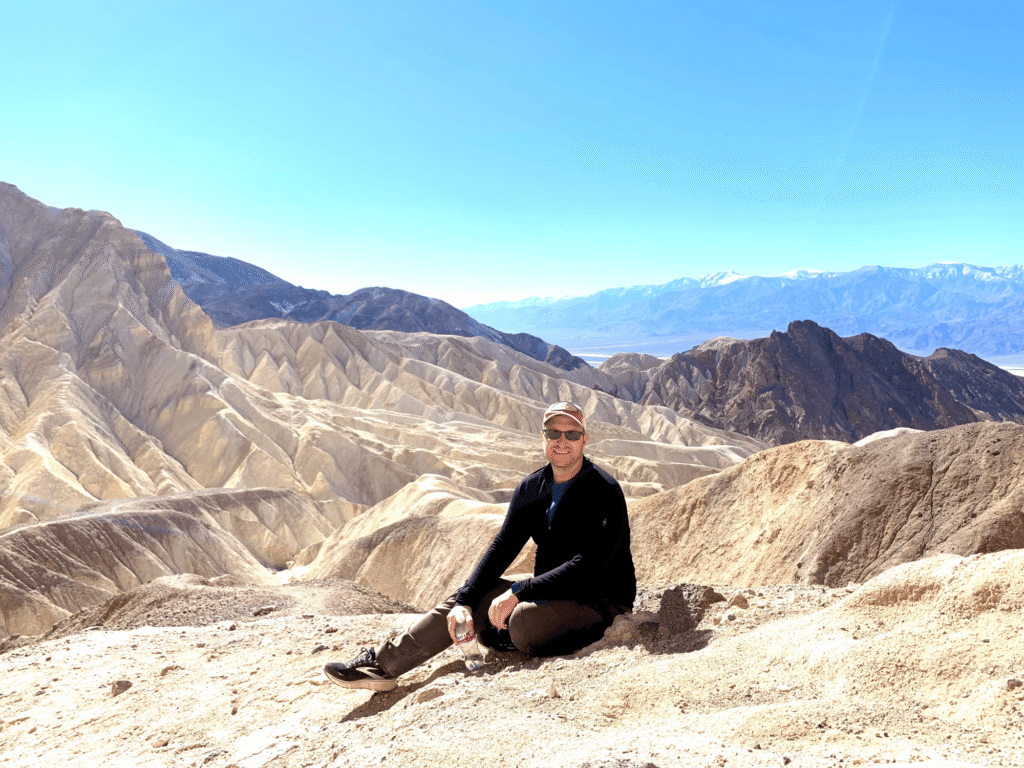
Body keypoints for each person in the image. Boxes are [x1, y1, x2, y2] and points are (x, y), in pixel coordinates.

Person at [323, 400, 636, 692]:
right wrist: (466, 600)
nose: (562, 440)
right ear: (542, 437)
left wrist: (519, 591)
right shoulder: (532, 488)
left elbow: (590, 566)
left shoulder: (603, 490)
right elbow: (503, 546)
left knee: (521, 620)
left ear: (585, 439)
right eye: (553, 432)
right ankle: (383, 665)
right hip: (547, 596)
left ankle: (511, 633)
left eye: (572, 433)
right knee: (468, 603)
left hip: (600, 601)